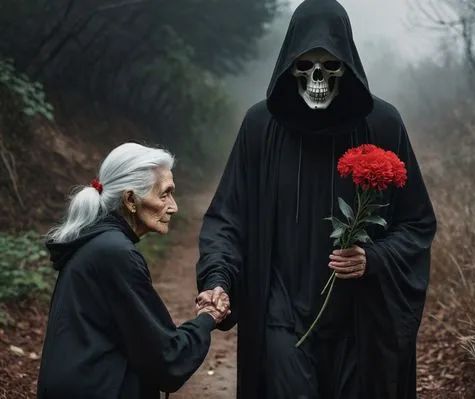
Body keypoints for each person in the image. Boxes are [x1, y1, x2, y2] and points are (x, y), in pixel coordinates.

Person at [195, 0, 437, 398]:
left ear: (348, 64)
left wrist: (372, 258)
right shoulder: (260, 127)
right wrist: (217, 278)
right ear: (290, 67)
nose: (317, 77)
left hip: (359, 326)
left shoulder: (382, 124)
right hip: (282, 320)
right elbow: (227, 218)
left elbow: (417, 223)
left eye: (330, 65)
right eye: (305, 65)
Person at [37, 142, 227, 399]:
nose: (173, 207)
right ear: (130, 200)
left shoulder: (97, 242)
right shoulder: (114, 252)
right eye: (164, 194)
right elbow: (166, 358)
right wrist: (208, 317)